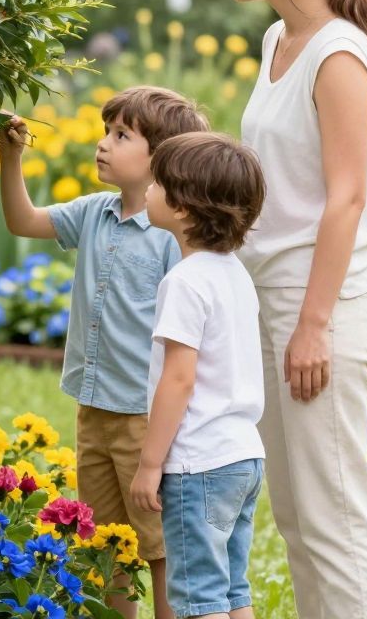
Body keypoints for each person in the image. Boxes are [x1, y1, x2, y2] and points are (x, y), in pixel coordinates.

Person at [215, 0, 367, 619]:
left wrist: (313, 326)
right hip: (272, 299)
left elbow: (346, 198)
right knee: (295, 516)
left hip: (322, 308)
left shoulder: (337, 55)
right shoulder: (277, 39)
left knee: (335, 520)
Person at [0, 86, 208, 619]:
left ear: (161, 157)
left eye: (121, 136)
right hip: (93, 410)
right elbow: (22, 221)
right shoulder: (93, 212)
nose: (103, 144)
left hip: (143, 416)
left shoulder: (172, 236)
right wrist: (11, 157)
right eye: (105, 132)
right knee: (104, 543)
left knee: (158, 547)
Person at [130, 131, 268, 619]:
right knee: (233, 590)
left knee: (197, 598)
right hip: (243, 458)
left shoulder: (184, 282)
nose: (148, 188)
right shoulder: (235, 274)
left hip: (197, 464)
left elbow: (179, 380)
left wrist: (150, 464)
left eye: (158, 182)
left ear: (184, 209)